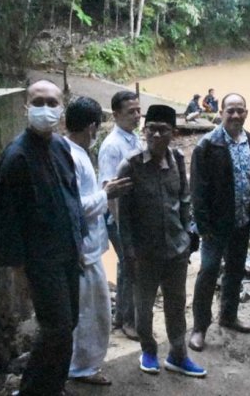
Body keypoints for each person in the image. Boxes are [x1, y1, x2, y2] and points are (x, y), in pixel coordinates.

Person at [0, 80, 86, 396]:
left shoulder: (62, 148)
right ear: (26, 107)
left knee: (69, 324)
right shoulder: (16, 157)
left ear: (62, 109)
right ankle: (33, 390)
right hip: (41, 261)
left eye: (52, 102)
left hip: (67, 254)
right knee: (56, 329)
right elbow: (8, 221)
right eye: (38, 102)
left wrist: (80, 245)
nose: (45, 109)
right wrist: (19, 274)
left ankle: (54, 386)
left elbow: (72, 200)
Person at [117, 105, 208, 378]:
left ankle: (178, 355)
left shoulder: (178, 160)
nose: (156, 134)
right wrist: (128, 255)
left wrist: (189, 235)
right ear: (144, 131)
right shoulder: (130, 166)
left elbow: (184, 199)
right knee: (143, 308)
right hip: (144, 254)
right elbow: (123, 218)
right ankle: (148, 349)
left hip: (176, 251)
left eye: (163, 129)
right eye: (151, 128)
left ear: (174, 132)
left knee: (176, 304)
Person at [188, 93, 250, 352]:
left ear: (246, 112)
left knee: (235, 270)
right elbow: (197, 191)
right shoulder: (208, 145)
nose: (235, 115)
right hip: (215, 226)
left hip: (241, 222)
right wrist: (203, 226)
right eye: (229, 110)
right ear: (220, 112)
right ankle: (200, 327)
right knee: (208, 272)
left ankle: (229, 316)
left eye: (239, 110)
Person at [64, 97, 132, 386]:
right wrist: (108, 194)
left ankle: (78, 364)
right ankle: (82, 368)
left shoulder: (72, 151)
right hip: (83, 251)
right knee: (93, 314)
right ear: (92, 127)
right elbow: (75, 207)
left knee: (90, 311)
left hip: (87, 248)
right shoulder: (74, 156)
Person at [98, 90, 142, 341]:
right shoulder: (112, 146)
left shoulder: (133, 139)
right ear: (115, 115)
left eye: (138, 111)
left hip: (131, 215)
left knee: (127, 266)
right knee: (131, 265)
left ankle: (121, 316)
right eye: (131, 112)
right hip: (118, 216)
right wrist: (120, 224)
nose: (137, 116)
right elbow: (109, 188)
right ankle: (128, 321)